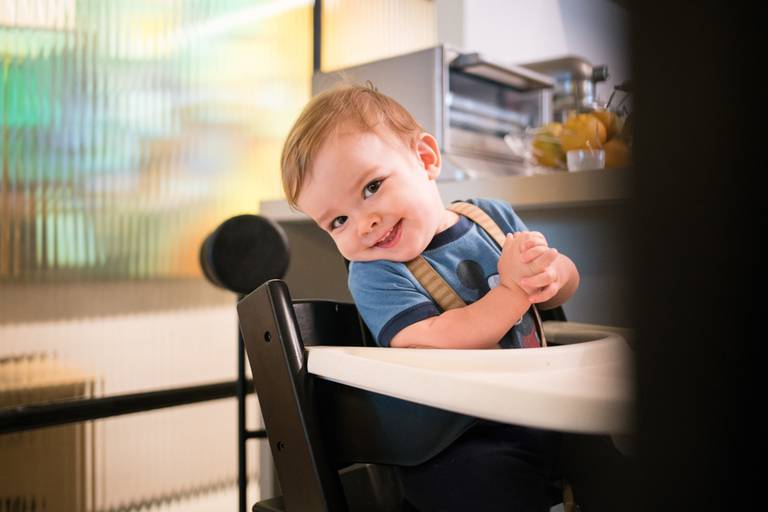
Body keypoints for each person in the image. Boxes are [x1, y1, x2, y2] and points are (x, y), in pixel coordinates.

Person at [280, 83, 584, 511]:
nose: (364, 223)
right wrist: (514, 291)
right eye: (339, 221)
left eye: (372, 188)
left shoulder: (491, 217)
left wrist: (552, 274)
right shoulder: (375, 273)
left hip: (539, 408)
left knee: (615, 450)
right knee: (488, 484)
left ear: (425, 159)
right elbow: (428, 339)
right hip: (453, 440)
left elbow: (560, 289)